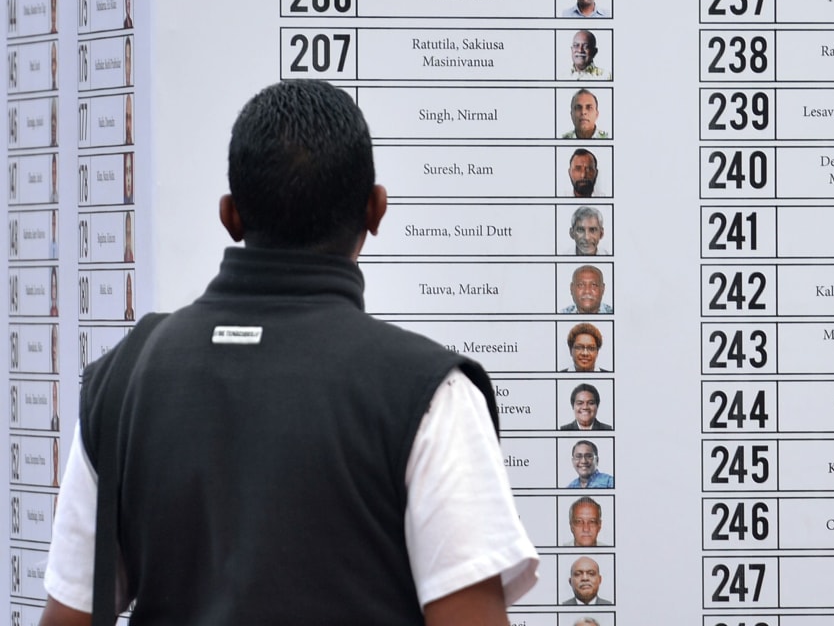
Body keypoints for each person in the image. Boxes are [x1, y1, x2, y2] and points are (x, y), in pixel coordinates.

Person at [39, 80, 538, 625]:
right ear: (376, 209)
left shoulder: (123, 379)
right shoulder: (428, 393)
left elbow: (69, 616)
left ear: (230, 217)